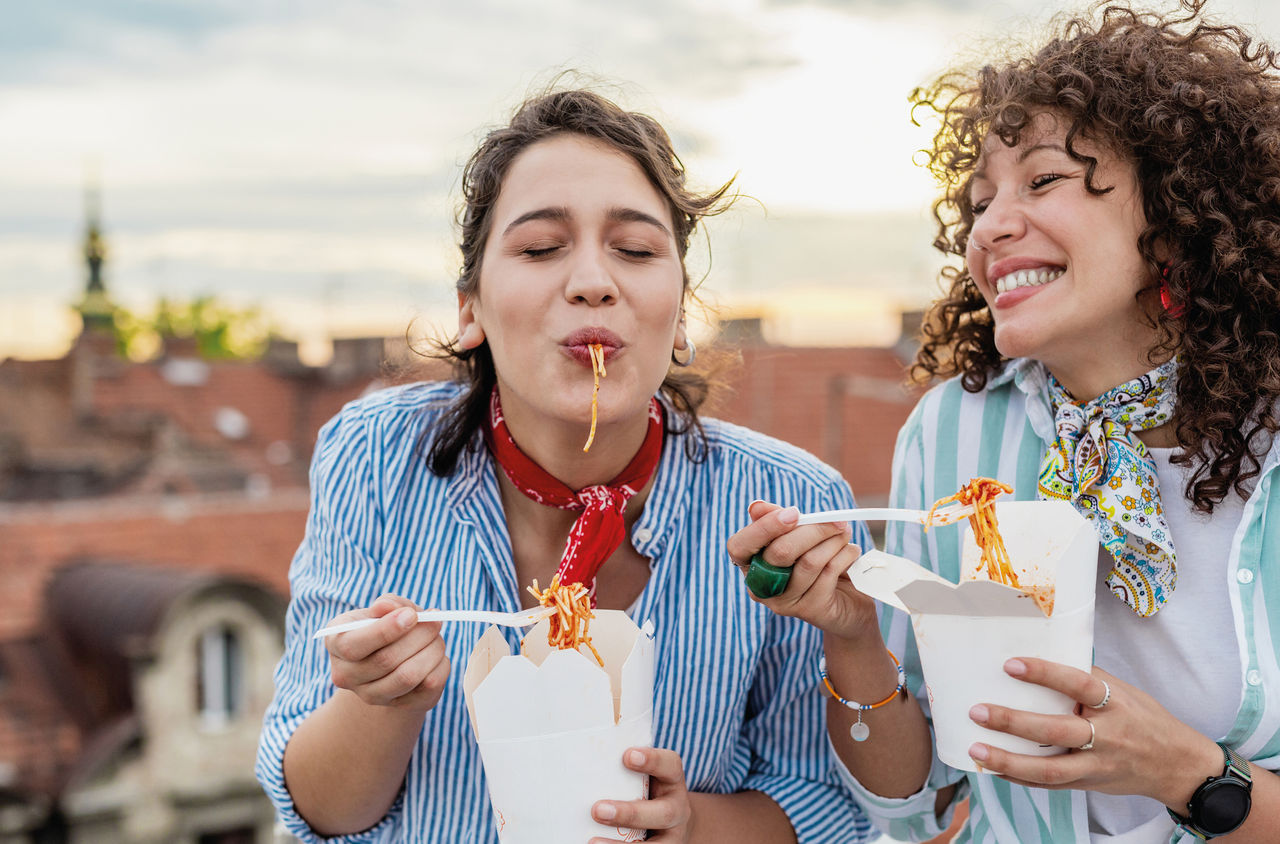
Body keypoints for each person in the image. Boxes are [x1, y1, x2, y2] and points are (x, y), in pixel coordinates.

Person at [255, 87, 875, 843]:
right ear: (470, 310)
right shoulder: (374, 456)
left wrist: (692, 828)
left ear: (681, 315)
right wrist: (379, 703)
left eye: (637, 251)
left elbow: (832, 800)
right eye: (541, 248)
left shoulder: (791, 499)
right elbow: (321, 809)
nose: (592, 280)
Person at [728, 1, 1280, 841]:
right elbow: (919, 800)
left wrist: (1187, 774)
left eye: (1043, 180)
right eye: (980, 203)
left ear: (1176, 212)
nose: (989, 228)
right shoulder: (951, 433)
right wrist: (852, 637)